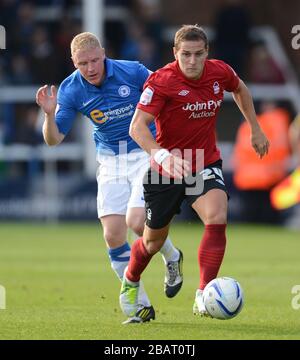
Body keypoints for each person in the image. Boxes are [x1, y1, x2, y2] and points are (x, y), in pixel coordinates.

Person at [119, 25, 269, 319]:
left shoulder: (219, 72)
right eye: (185, 54)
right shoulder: (161, 82)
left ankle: (202, 294)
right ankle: (131, 280)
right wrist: (162, 155)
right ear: (175, 54)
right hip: (166, 167)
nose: (192, 61)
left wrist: (255, 127)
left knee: (217, 216)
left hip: (204, 160)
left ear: (206, 53)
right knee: (151, 242)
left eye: (198, 54)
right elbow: (136, 127)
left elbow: (239, 88)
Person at [35, 32, 183, 324]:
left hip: (145, 153)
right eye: (82, 63)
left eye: (94, 60)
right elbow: (53, 140)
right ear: (73, 62)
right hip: (110, 161)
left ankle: (171, 257)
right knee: (113, 235)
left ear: (103, 54)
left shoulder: (133, 71)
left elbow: (167, 93)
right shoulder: (70, 90)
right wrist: (50, 116)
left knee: (138, 222)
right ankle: (140, 305)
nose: (90, 68)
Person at [232, 101, 290, 223]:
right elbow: (281, 148)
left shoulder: (245, 127)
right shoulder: (277, 121)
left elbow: (238, 153)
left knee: (250, 215)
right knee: (269, 216)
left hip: (246, 178)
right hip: (269, 176)